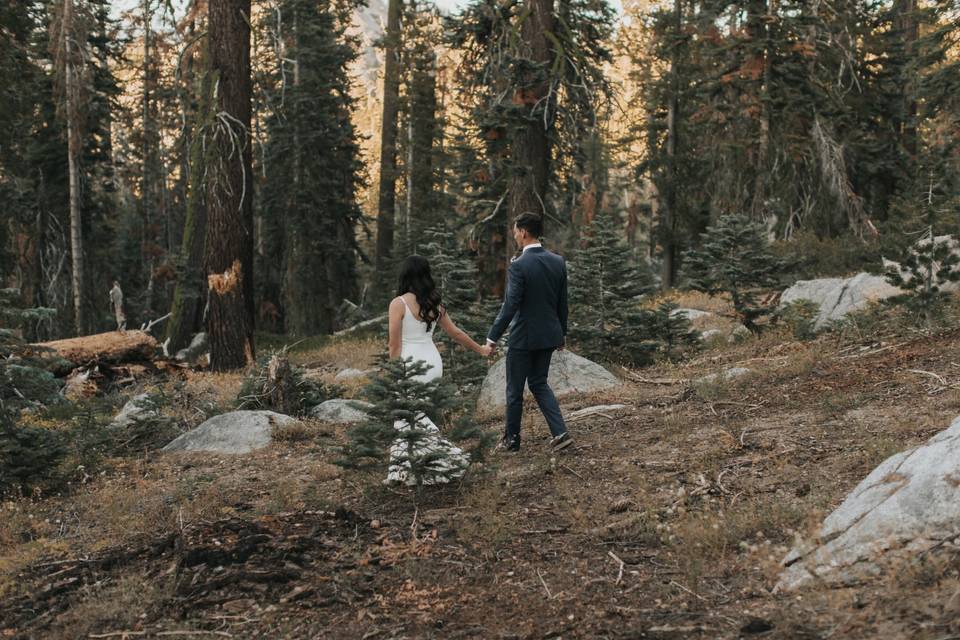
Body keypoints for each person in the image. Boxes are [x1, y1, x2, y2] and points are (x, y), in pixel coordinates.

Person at [385, 255, 493, 485]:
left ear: (405, 275)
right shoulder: (434, 303)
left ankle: (450, 460)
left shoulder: (399, 303)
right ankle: (402, 471)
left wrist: (394, 373)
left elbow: (394, 344)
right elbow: (455, 333)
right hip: (432, 362)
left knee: (407, 415)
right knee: (412, 415)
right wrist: (481, 350)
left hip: (409, 362)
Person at [486, 212, 572, 453]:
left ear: (524, 232)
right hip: (549, 335)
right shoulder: (558, 261)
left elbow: (510, 305)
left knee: (514, 390)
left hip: (523, 337)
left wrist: (492, 337)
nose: (514, 234)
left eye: (515, 230)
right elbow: (562, 303)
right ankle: (561, 433)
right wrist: (561, 333)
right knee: (539, 383)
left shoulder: (519, 266)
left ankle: (511, 440)